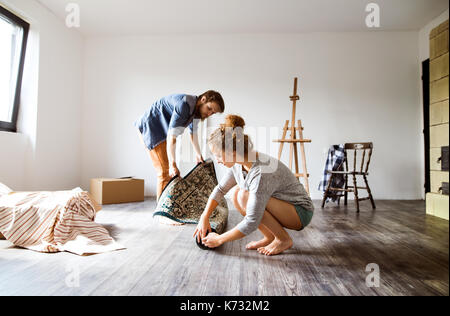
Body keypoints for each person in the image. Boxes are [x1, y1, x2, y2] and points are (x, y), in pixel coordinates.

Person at [194, 115, 314, 256]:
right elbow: (220, 189)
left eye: (218, 156)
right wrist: (204, 216)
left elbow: (252, 220)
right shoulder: (239, 164)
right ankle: (270, 237)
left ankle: (283, 239)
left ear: (232, 153)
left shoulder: (261, 172)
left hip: (300, 212)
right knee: (237, 194)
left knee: (244, 195)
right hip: (282, 207)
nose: (217, 160)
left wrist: (220, 239)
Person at [135, 91, 225, 200]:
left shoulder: (197, 112)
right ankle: (160, 213)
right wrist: (173, 164)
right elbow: (171, 137)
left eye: (213, 113)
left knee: (170, 173)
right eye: (209, 108)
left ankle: (168, 206)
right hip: (150, 128)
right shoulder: (184, 106)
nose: (209, 114)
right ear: (203, 99)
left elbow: (193, 133)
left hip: (162, 132)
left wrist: (198, 155)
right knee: (164, 173)